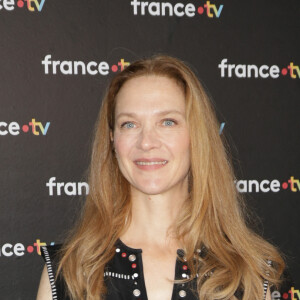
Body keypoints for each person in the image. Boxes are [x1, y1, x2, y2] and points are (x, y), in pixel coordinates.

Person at [36, 55, 286, 300]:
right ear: (112, 139)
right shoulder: (68, 271)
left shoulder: (251, 271)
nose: (146, 142)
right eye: (129, 124)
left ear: (196, 135)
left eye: (167, 122)